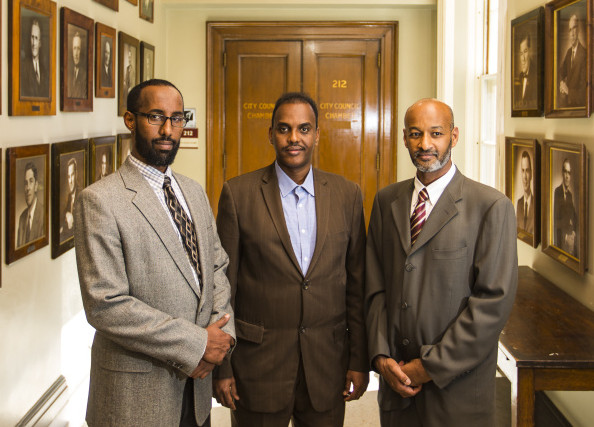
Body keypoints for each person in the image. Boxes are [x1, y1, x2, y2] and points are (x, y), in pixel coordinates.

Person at [74, 79, 235, 427]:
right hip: (136, 398)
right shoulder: (100, 201)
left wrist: (221, 337)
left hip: (196, 394)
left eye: (177, 118)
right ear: (130, 120)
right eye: (155, 117)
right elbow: (106, 305)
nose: (168, 130)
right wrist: (196, 345)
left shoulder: (194, 191)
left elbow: (218, 266)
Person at [214, 92, 369, 426]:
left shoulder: (347, 195)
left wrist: (359, 359)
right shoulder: (238, 195)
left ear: (316, 133)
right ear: (271, 134)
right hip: (258, 368)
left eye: (303, 128)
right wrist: (222, 366)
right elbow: (222, 287)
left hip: (327, 365)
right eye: (284, 129)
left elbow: (356, 286)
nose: (294, 138)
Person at [365, 98, 518, 426]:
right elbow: (375, 286)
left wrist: (426, 368)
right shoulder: (385, 201)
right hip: (397, 386)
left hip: (457, 393)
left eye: (436, 133)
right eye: (416, 134)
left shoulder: (491, 207)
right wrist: (381, 356)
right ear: (404, 137)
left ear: (454, 136)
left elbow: (491, 306)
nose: (425, 144)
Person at [559, 14, 586, 108]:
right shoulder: (569, 52)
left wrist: (568, 91)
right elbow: (561, 72)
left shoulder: (584, 55)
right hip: (567, 106)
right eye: (570, 30)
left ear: (578, 30)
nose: (572, 33)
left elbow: (584, 94)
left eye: (574, 28)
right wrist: (562, 82)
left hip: (578, 109)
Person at [554, 158, 578, 257]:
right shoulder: (557, 192)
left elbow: (574, 216)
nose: (567, 176)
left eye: (569, 173)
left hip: (569, 237)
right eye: (565, 172)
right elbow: (555, 221)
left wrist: (573, 232)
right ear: (562, 173)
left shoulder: (570, 195)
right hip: (560, 239)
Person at [17, 161, 45, 247]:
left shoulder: (44, 214)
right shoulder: (22, 219)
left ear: (36, 185)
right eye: (26, 183)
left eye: (31, 181)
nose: (28, 188)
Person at [20, 19, 49, 98]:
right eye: (32, 37)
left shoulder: (44, 70)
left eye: (36, 38)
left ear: (40, 43)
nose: (33, 43)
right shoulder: (23, 67)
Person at [514, 33, 537, 109]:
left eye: (525, 51)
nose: (523, 58)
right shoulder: (520, 76)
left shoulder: (536, 75)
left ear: (530, 51)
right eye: (521, 53)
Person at [60, 158, 80, 241]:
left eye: (72, 175)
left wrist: (73, 220)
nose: (70, 181)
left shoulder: (81, 194)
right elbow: (65, 215)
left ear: (76, 174)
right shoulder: (69, 197)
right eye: (68, 177)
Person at [516, 150, 534, 233]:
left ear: (531, 174)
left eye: (527, 170)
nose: (525, 177)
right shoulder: (519, 204)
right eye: (523, 171)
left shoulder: (536, 205)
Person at [68, 31, 87, 99]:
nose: (76, 53)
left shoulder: (85, 75)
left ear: (81, 51)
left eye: (78, 49)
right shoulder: (68, 73)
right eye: (74, 48)